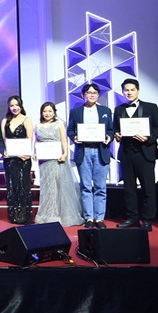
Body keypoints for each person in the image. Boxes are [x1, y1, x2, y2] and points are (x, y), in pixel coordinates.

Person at [113, 78, 158, 231]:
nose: (129, 92)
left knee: (148, 188)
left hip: (145, 153)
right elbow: (115, 129)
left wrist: (148, 138)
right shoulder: (119, 109)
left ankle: (147, 220)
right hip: (126, 153)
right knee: (129, 188)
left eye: (132, 90)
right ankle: (132, 218)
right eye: (126, 90)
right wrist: (117, 135)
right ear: (123, 92)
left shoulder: (151, 107)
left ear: (138, 91)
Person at [67, 83, 114, 229]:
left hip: (101, 151)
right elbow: (70, 130)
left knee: (100, 187)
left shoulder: (105, 111)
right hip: (84, 151)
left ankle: (99, 218)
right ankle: (88, 217)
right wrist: (74, 137)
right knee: (86, 186)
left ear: (98, 95)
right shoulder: (76, 111)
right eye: (88, 92)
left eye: (94, 93)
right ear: (83, 95)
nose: (92, 95)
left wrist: (109, 137)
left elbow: (111, 130)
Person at [34, 102, 83, 226]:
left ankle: (63, 215)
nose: (47, 113)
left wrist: (65, 153)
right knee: (47, 187)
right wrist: (35, 153)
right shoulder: (37, 125)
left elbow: (64, 141)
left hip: (57, 159)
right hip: (44, 161)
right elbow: (37, 142)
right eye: (45, 111)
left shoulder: (59, 124)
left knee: (60, 186)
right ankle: (49, 215)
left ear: (54, 112)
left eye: (50, 111)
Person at [2, 95, 35, 225]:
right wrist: (4, 151)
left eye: (17, 105)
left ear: (21, 106)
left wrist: (27, 153)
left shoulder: (27, 120)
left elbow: (30, 139)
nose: (14, 108)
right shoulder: (5, 121)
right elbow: (4, 140)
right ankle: (14, 215)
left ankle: (25, 216)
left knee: (23, 186)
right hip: (10, 160)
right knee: (12, 186)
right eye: (12, 105)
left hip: (23, 159)